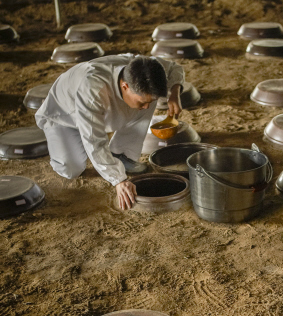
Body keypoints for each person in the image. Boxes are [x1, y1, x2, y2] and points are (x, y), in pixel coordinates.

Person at [35, 54, 184, 210]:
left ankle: (121, 153)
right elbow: (94, 141)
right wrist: (118, 180)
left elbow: (174, 68)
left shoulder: (142, 68)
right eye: (142, 102)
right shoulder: (92, 90)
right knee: (71, 169)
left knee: (145, 101)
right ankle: (61, 141)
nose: (147, 108)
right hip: (64, 118)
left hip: (102, 113)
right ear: (125, 86)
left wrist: (174, 93)